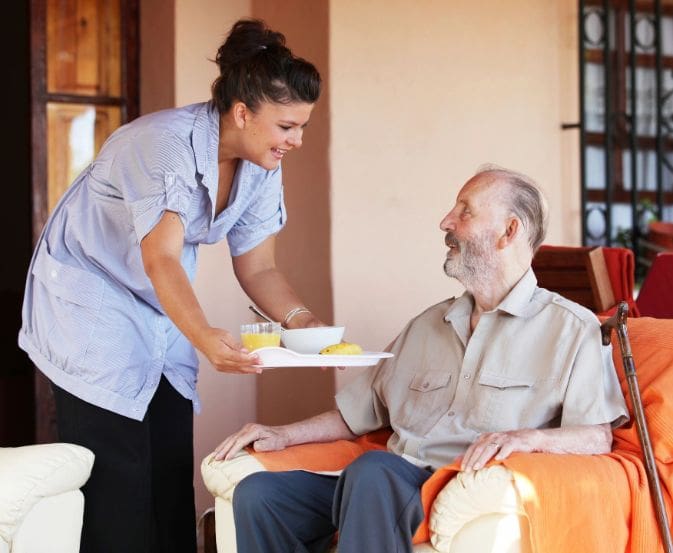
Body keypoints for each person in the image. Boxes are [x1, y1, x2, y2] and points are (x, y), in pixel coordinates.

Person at [18, 18, 324, 553]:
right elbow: (159, 258)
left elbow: (258, 269)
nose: (296, 141)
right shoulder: (162, 146)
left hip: (158, 305)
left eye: (302, 127)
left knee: (169, 474)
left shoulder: (261, 163)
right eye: (286, 127)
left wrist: (306, 326)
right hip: (92, 301)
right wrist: (206, 338)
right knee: (118, 483)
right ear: (243, 112)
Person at [213, 166, 629, 553]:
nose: (446, 222)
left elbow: (596, 436)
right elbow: (359, 413)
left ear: (509, 231)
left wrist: (529, 439)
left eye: (464, 211)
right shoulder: (427, 324)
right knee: (259, 495)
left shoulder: (571, 329)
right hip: (384, 483)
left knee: (374, 472)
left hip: (459, 484)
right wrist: (284, 435)